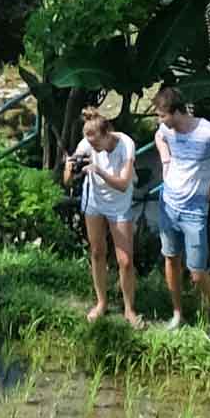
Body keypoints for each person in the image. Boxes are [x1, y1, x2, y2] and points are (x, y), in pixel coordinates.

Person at [151, 84, 210, 344]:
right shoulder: (166, 130)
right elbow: (159, 138)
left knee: (198, 272)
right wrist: (166, 159)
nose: (160, 121)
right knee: (170, 259)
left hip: (194, 211)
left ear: (177, 112)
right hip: (168, 204)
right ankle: (178, 314)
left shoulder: (208, 132)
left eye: (162, 115)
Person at [65, 104, 142, 326]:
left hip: (119, 205)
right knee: (97, 252)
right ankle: (101, 303)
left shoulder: (125, 144)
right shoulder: (86, 144)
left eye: (96, 142)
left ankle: (129, 309)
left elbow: (123, 183)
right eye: (89, 143)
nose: (92, 147)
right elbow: (67, 181)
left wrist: (98, 171)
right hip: (95, 204)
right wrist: (71, 167)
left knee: (125, 261)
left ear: (107, 133)